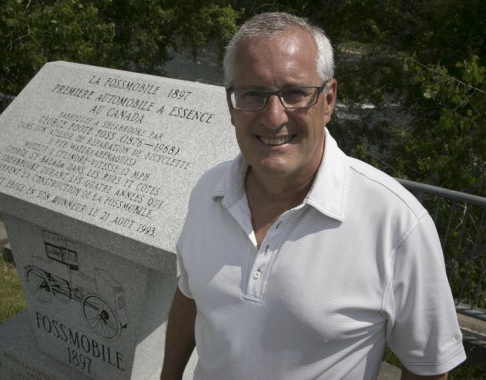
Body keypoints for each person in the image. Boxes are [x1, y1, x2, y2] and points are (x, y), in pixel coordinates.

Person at [161, 12, 466, 380]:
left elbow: (427, 368)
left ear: (329, 99)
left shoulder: (396, 224)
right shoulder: (208, 191)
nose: (274, 117)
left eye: (294, 94)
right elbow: (190, 295)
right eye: (253, 94)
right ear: (231, 105)